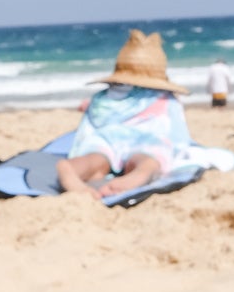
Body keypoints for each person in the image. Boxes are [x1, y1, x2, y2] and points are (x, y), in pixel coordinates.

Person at [57, 29, 194, 200]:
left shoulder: (103, 97)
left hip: (106, 139)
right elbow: (175, 134)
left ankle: (71, 168)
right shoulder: (164, 98)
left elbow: (91, 120)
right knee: (148, 159)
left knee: (96, 159)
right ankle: (141, 173)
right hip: (145, 140)